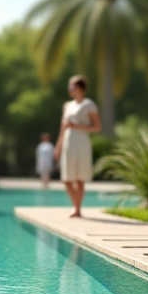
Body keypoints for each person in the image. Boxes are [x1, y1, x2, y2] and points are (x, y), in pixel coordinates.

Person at [54, 75, 101, 218]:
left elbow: (97, 127)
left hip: (81, 142)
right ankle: (76, 205)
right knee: (67, 179)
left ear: (80, 88)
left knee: (79, 178)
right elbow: (63, 128)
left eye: (72, 86)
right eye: (69, 86)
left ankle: (77, 209)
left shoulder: (89, 105)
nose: (70, 89)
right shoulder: (67, 105)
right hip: (69, 142)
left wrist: (77, 126)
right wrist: (58, 147)